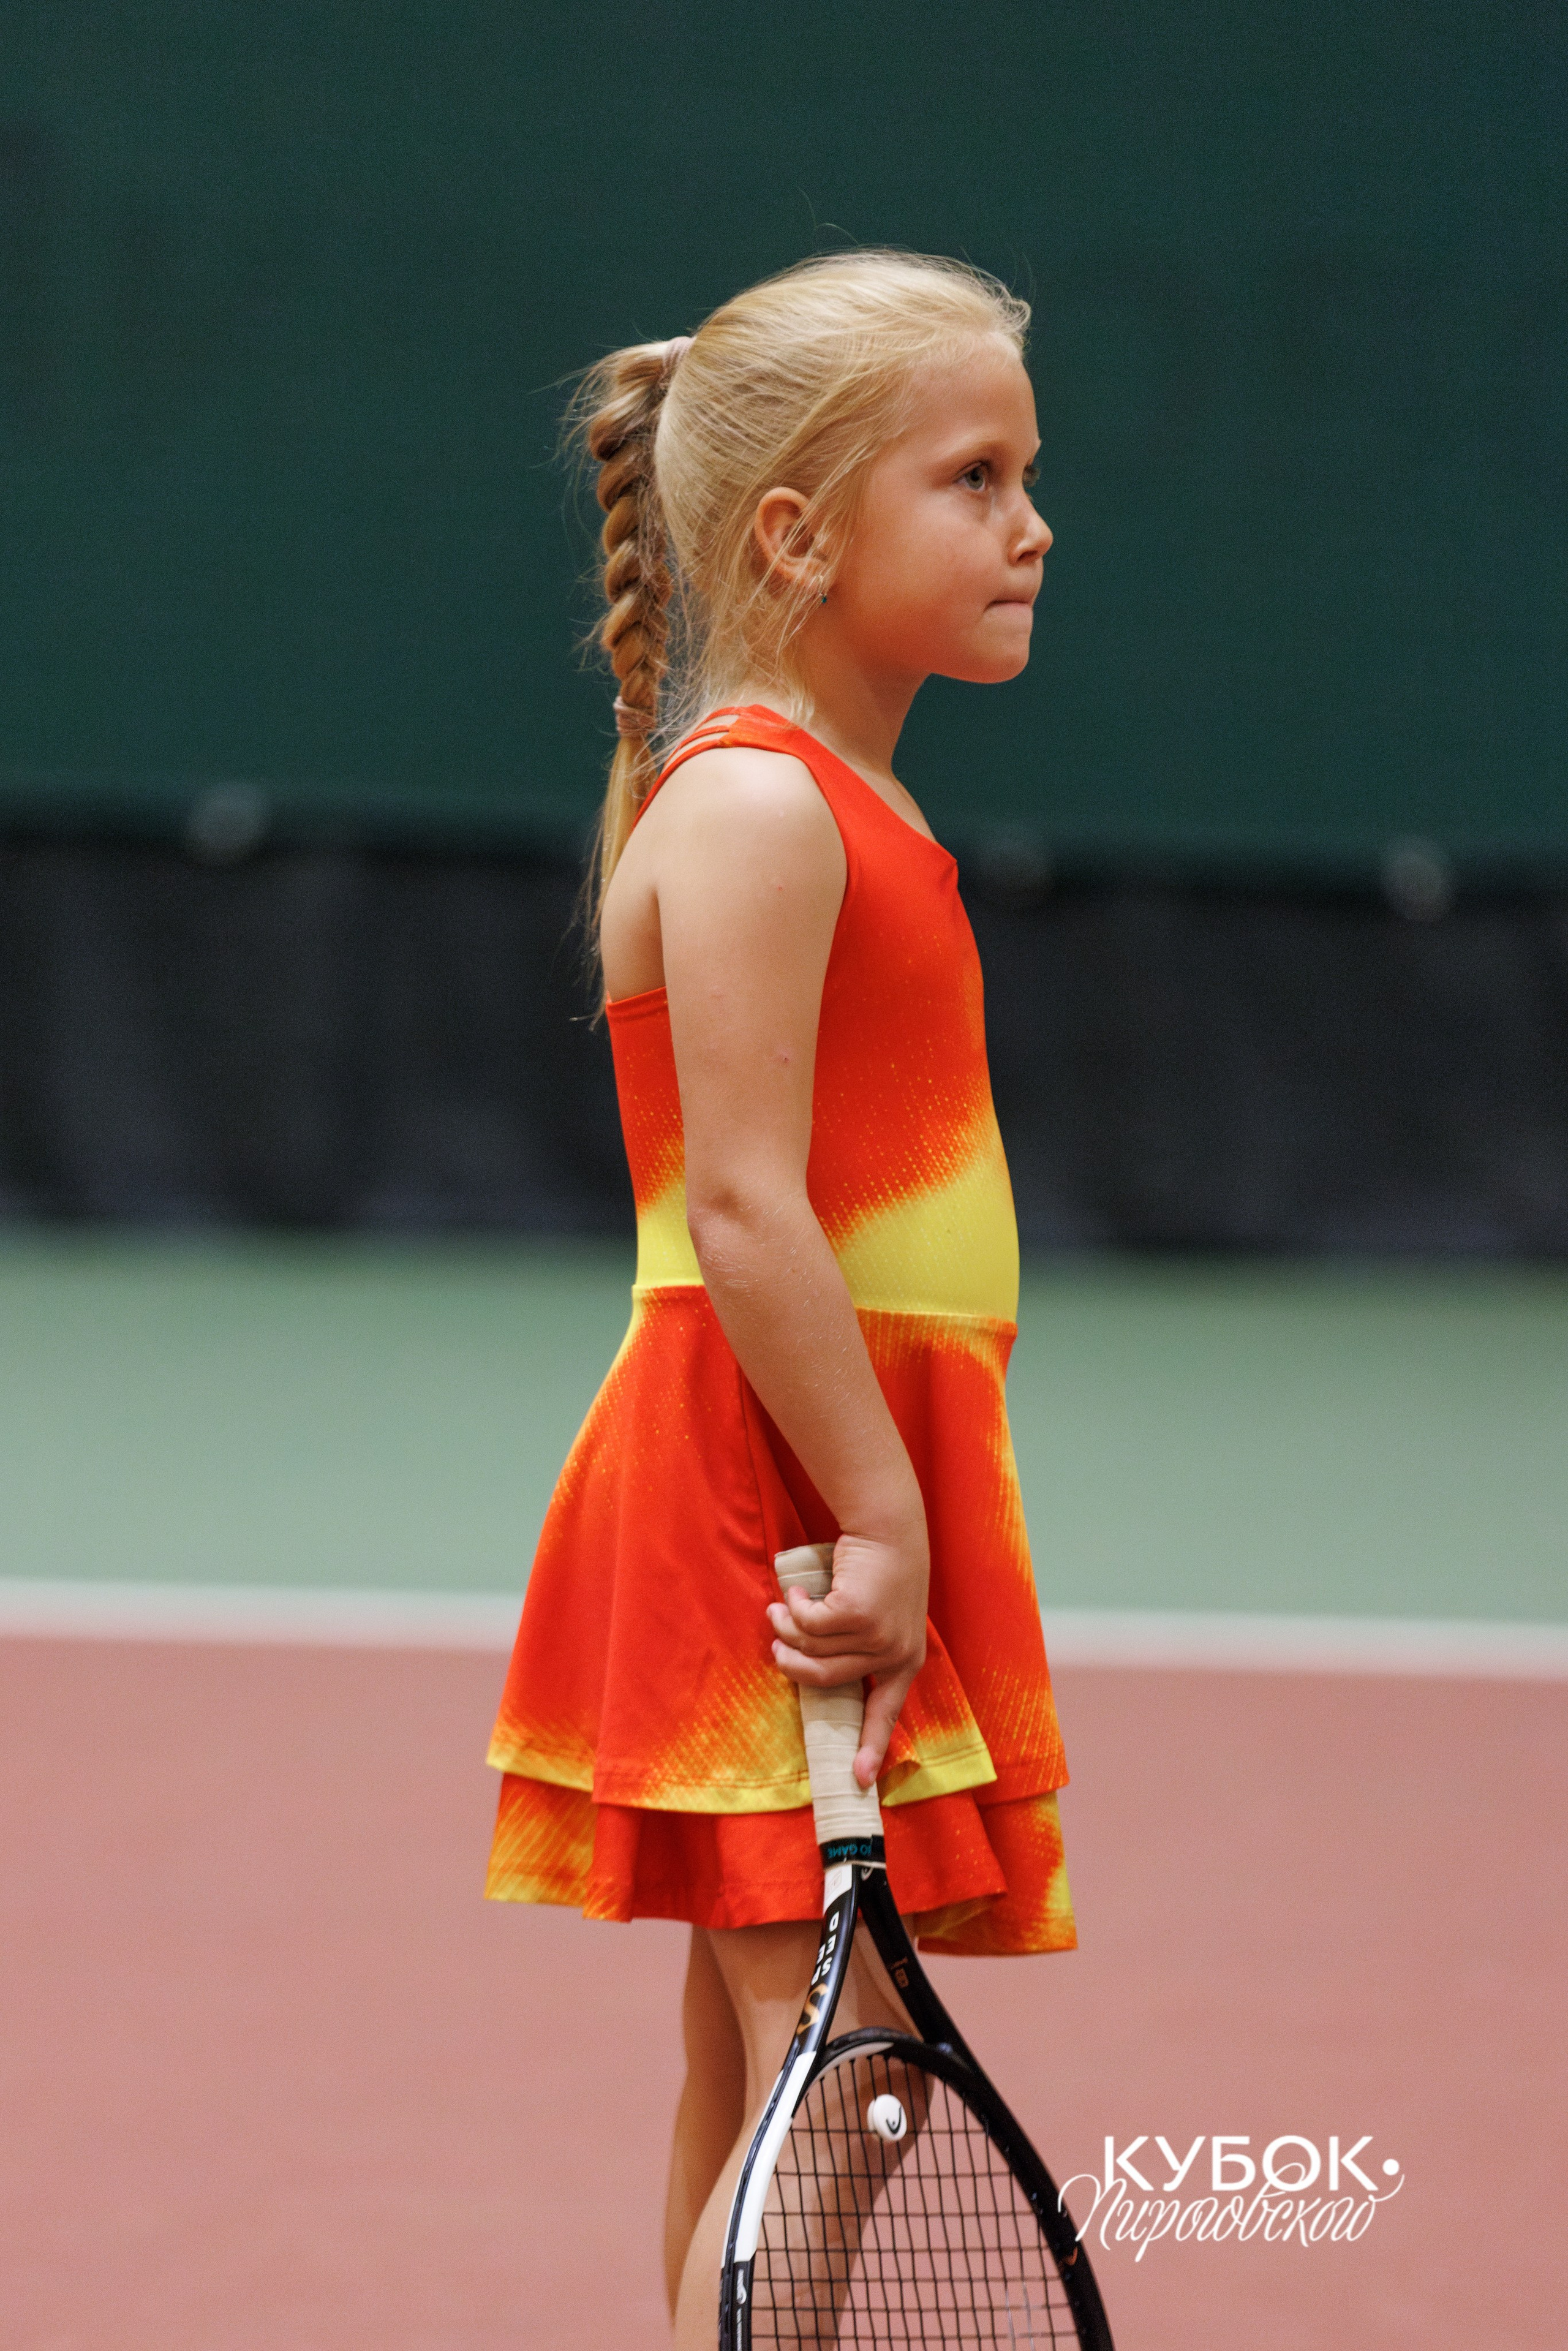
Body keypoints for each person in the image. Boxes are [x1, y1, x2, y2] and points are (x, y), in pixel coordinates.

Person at [484, 249, 1074, 2342]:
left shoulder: (843, 801)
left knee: (763, 2054)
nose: (1032, 524)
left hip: (834, 1469)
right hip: (772, 1492)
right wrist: (882, 1517)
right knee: (854, 2074)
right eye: (974, 475)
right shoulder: (755, 809)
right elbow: (742, 1210)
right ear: (797, 537)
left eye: (1027, 472)